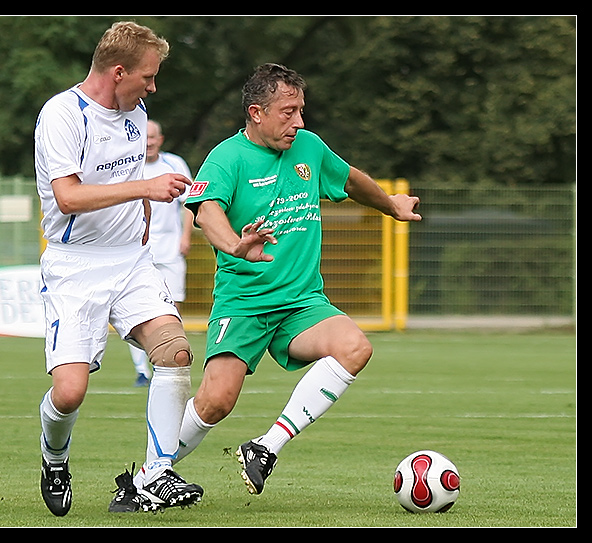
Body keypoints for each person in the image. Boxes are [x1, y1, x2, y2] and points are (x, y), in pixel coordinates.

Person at [170, 63, 422, 495]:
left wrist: (391, 206)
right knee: (216, 402)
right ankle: (150, 474)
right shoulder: (227, 157)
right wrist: (233, 244)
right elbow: (205, 210)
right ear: (256, 112)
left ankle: (266, 448)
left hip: (302, 303)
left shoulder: (308, 147)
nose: (298, 122)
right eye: (288, 112)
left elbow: (352, 180)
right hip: (245, 302)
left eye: (301, 110)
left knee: (355, 348)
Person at [33, 21, 203, 516]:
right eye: (147, 77)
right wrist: (143, 191)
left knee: (174, 353)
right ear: (119, 71)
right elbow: (67, 197)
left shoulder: (136, 112)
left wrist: (143, 209)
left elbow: (125, 175)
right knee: (69, 392)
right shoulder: (62, 115)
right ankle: (54, 456)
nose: (152, 88)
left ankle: (154, 477)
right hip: (74, 267)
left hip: (131, 260)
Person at [128, 120, 194, 387]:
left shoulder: (175, 165)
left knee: (172, 308)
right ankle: (142, 369)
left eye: (152, 137)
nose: (148, 142)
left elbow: (190, 203)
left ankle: (165, 364)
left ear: (161, 139)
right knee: (138, 310)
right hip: (138, 251)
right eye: (144, 138)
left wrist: (185, 236)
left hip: (170, 249)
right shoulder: (131, 166)